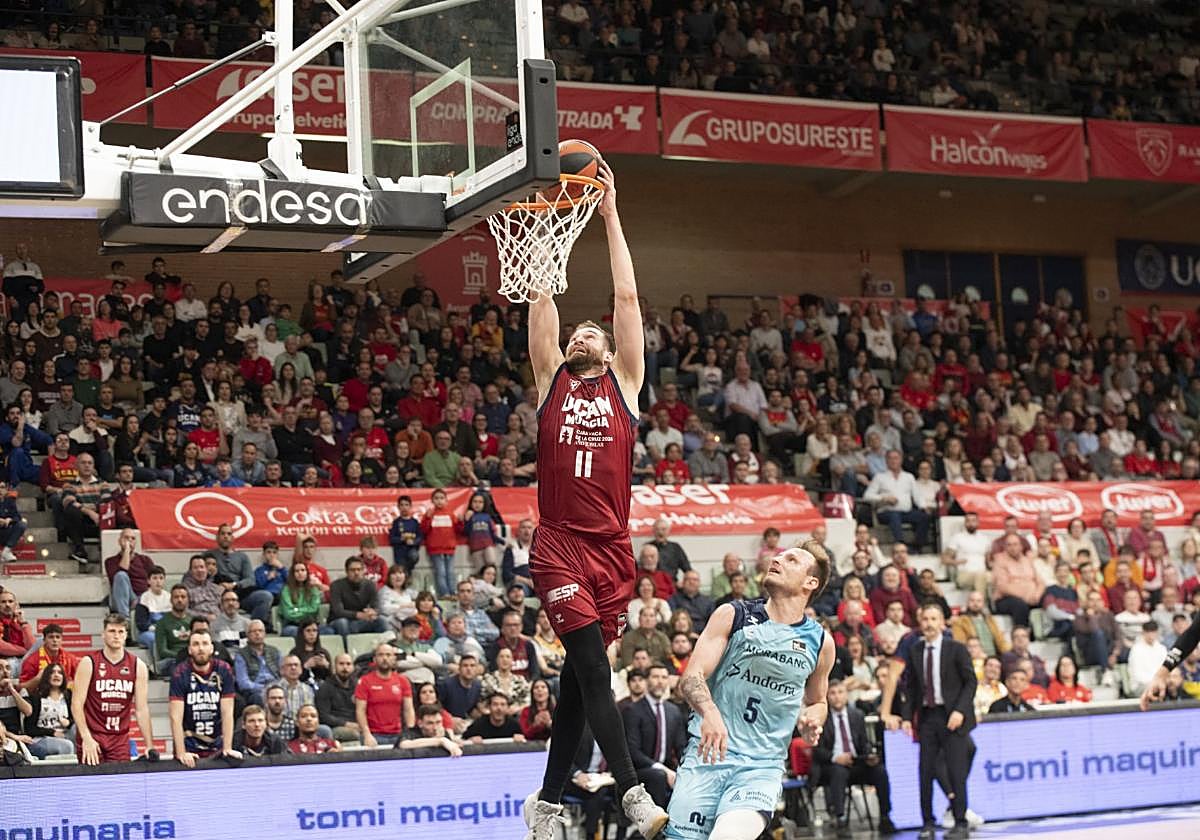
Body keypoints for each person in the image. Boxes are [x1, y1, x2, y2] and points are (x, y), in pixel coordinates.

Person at [521, 162, 667, 840]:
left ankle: (548, 803)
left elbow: (629, 300)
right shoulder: (550, 381)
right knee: (592, 671)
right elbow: (543, 301)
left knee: (580, 687)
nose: (582, 335)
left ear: (610, 351)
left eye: (593, 333)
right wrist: (547, 222)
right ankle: (634, 790)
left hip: (613, 553)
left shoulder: (625, 387)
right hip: (558, 547)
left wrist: (609, 217)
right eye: (576, 333)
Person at [664, 542, 833, 840]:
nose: (777, 559)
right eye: (778, 555)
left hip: (761, 768)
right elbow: (691, 678)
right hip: (707, 758)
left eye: (790, 559)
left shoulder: (820, 642)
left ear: (811, 582)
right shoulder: (733, 614)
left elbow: (818, 700)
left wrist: (813, 719)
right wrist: (710, 712)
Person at [899, 604, 977, 840]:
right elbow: (911, 688)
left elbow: (970, 682)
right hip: (928, 717)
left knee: (956, 771)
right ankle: (927, 823)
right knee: (925, 770)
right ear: (920, 622)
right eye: (925, 619)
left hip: (952, 716)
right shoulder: (915, 650)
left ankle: (960, 821)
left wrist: (960, 711)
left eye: (934, 619)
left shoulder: (956, 649)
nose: (930, 624)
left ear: (942, 622)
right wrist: (905, 717)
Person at [810, 679, 894, 835]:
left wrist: (869, 755)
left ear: (846, 695)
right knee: (838, 771)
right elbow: (818, 751)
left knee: (879, 771)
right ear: (827, 696)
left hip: (856, 762)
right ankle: (840, 818)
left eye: (840, 692)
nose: (837, 697)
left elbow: (864, 743)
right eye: (833, 693)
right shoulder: (823, 718)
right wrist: (836, 757)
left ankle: (885, 816)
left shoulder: (857, 715)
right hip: (831, 765)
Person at [72, 613, 155, 764]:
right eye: (112, 631)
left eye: (120, 632)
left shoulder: (138, 666)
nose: (116, 636)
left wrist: (149, 745)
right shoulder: (89, 662)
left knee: (120, 786)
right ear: (103, 634)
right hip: (93, 736)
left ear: (126, 635)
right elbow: (77, 704)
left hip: (119, 739)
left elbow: (142, 709)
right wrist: (86, 738)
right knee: (92, 785)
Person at [623, 663, 688, 810]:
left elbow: (681, 747)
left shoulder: (673, 711)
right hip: (640, 770)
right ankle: (656, 829)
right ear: (646, 681)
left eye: (664, 677)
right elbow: (633, 751)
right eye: (655, 677)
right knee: (658, 776)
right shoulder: (632, 710)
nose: (660, 681)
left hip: (666, 769)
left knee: (688, 777)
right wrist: (663, 769)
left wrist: (687, 769)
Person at [169, 628, 236, 766]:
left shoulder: (224, 669)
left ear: (211, 648)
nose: (201, 648)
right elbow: (175, 717)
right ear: (189, 650)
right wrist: (181, 752)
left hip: (216, 742)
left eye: (205, 643)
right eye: (196, 644)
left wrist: (227, 748)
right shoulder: (179, 673)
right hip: (189, 743)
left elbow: (228, 713)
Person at [204, 523, 274, 631]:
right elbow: (199, 577)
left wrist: (234, 585)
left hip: (240, 594)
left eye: (229, 534)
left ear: (233, 538)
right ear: (217, 537)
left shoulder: (242, 557)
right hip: (217, 594)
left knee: (265, 596)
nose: (226, 536)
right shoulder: (207, 555)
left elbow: (250, 580)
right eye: (222, 533)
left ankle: (251, 629)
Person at [355, 643, 414, 747]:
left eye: (388, 655)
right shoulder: (364, 681)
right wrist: (367, 734)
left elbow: (408, 709)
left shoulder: (403, 681)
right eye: (381, 655)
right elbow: (360, 710)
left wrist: (410, 733)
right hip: (374, 735)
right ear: (374, 659)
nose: (385, 658)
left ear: (394, 658)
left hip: (398, 735)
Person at [104, 528, 157, 620]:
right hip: (121, 600)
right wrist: (127, 551)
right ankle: (125, 619)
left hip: (142, 598)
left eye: (133, 538)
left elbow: (154, 581)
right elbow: (122, 571)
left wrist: (141, 599)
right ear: (120, 541)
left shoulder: (145, 560)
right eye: (126, 538)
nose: (130, 541)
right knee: (121, 575)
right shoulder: (110, 561)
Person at [329, 556, 387, 637]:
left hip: (362, 620)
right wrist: (358, 615)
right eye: (352, 570)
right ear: (346, 571)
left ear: (363, 571)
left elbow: (378, 607)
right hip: (340, 620)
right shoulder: (336, 585)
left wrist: (373, 612)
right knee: (342, 623)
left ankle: (384, 648)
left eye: (359, 569)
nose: (356, 573)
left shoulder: (370, 585)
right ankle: (347, 649)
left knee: (382, 620)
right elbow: (338, 611)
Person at [316, 653, 360, 742]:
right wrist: (346, 724)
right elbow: (323, 716)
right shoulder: (325, 688)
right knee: (355, 734)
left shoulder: (358, 686)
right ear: (334, 666)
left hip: (358, 724)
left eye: (348, 664)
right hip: (336, 727)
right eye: (341, 664)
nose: (345, 667)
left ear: (353, 667)